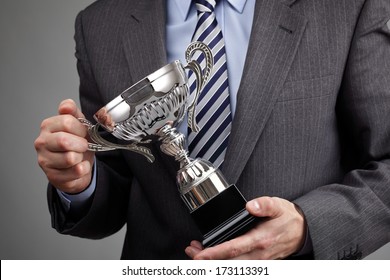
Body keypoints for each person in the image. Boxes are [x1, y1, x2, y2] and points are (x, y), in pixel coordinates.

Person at [34, 0, 390, 260]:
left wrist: (306, 224)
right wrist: (80, 183)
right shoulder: (99, 24)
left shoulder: (347, 6)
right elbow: (115, 183)